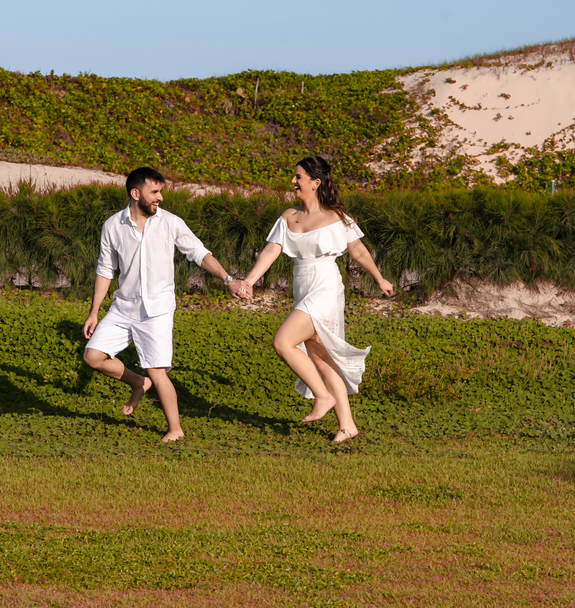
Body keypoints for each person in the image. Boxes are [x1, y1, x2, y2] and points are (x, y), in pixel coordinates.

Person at [234, 155, 393, 443]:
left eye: (299, 177)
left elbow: (358, 251)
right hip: (302, 285)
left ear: (315, 182)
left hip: (326, 286)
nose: (293, 182)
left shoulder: (337, 217)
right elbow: (271, 251)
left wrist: (379, 278)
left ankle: (322, 396)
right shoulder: (288, 216)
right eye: (294, 177)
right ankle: (347, 425)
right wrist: (248, 281)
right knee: (321, 358)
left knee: (283, 342)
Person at [83, 166, 243, 442]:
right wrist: (94, 312)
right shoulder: (112, 226)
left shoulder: (171, 222)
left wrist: (228, 279)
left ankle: (175, 430)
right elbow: (105, 270)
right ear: (135, 193)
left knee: (157, 372)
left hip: (157, 310)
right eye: (154, 192)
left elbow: (199, 253)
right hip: (123, 308)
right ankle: (137, 382)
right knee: (92, 357)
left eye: (161, 191)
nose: (160, 198)